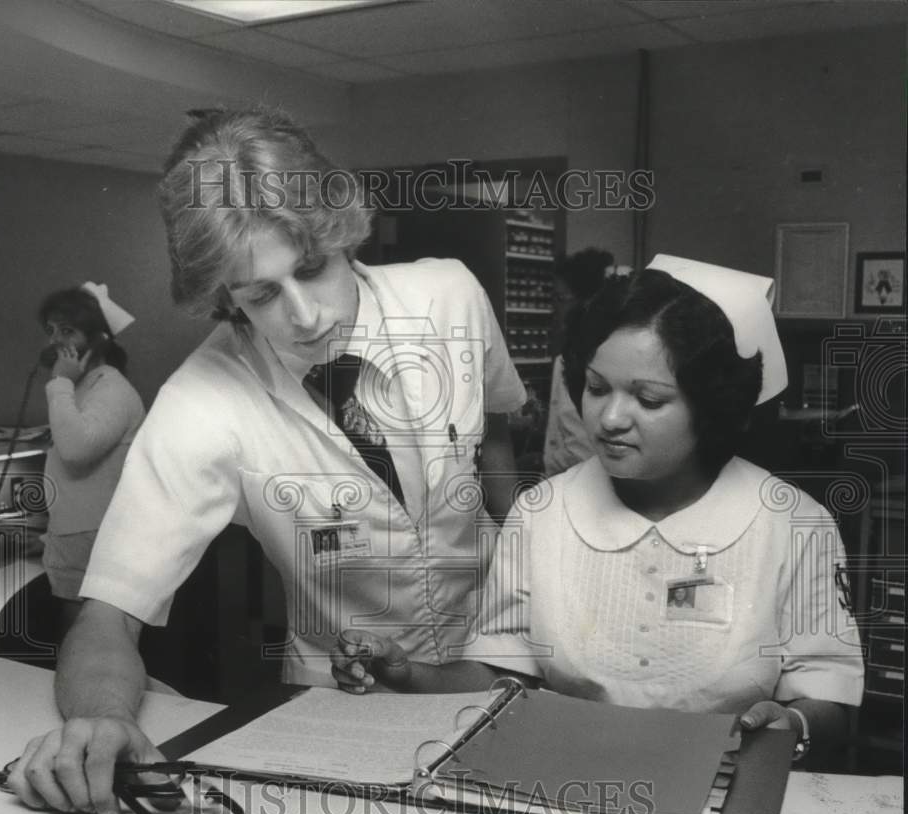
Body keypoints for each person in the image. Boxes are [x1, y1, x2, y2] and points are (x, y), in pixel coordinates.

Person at [8, 107, 526, 814]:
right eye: (262, 295)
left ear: (340, 233)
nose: (305, 315)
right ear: (224, 298)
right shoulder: (201, 402)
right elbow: (107, 618)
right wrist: (100, 719)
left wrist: (539, 585)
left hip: (495, 665)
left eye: (312, 270)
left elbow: (494, 440)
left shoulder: (451, 297)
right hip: (342, 707)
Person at [332, 254, 864, 765]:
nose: (610, 418)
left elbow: (828, 697)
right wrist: (408, 677)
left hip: (733, 786)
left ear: (712, 406)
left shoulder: (793, 523)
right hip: (567, 783)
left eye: (648, 400)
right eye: (595, 388)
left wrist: (792, 727)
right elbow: (504, 677)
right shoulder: (541, 514)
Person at [38, 282, 145, 636]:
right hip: (74, 534)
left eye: (67, 330)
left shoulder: (111, 390)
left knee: (84, 639)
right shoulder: (81, 388)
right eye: (51, 330)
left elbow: (75, 450)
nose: (55, 340)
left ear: (99, 338)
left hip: (95, 537)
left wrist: (59, 384)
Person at [543, 247, 628, 477]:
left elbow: (583, 451)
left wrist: (547, 467)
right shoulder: (570, 355)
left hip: (578, 483)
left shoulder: (583, 362)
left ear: (584, 303)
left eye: (561, 299)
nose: (555, 308)